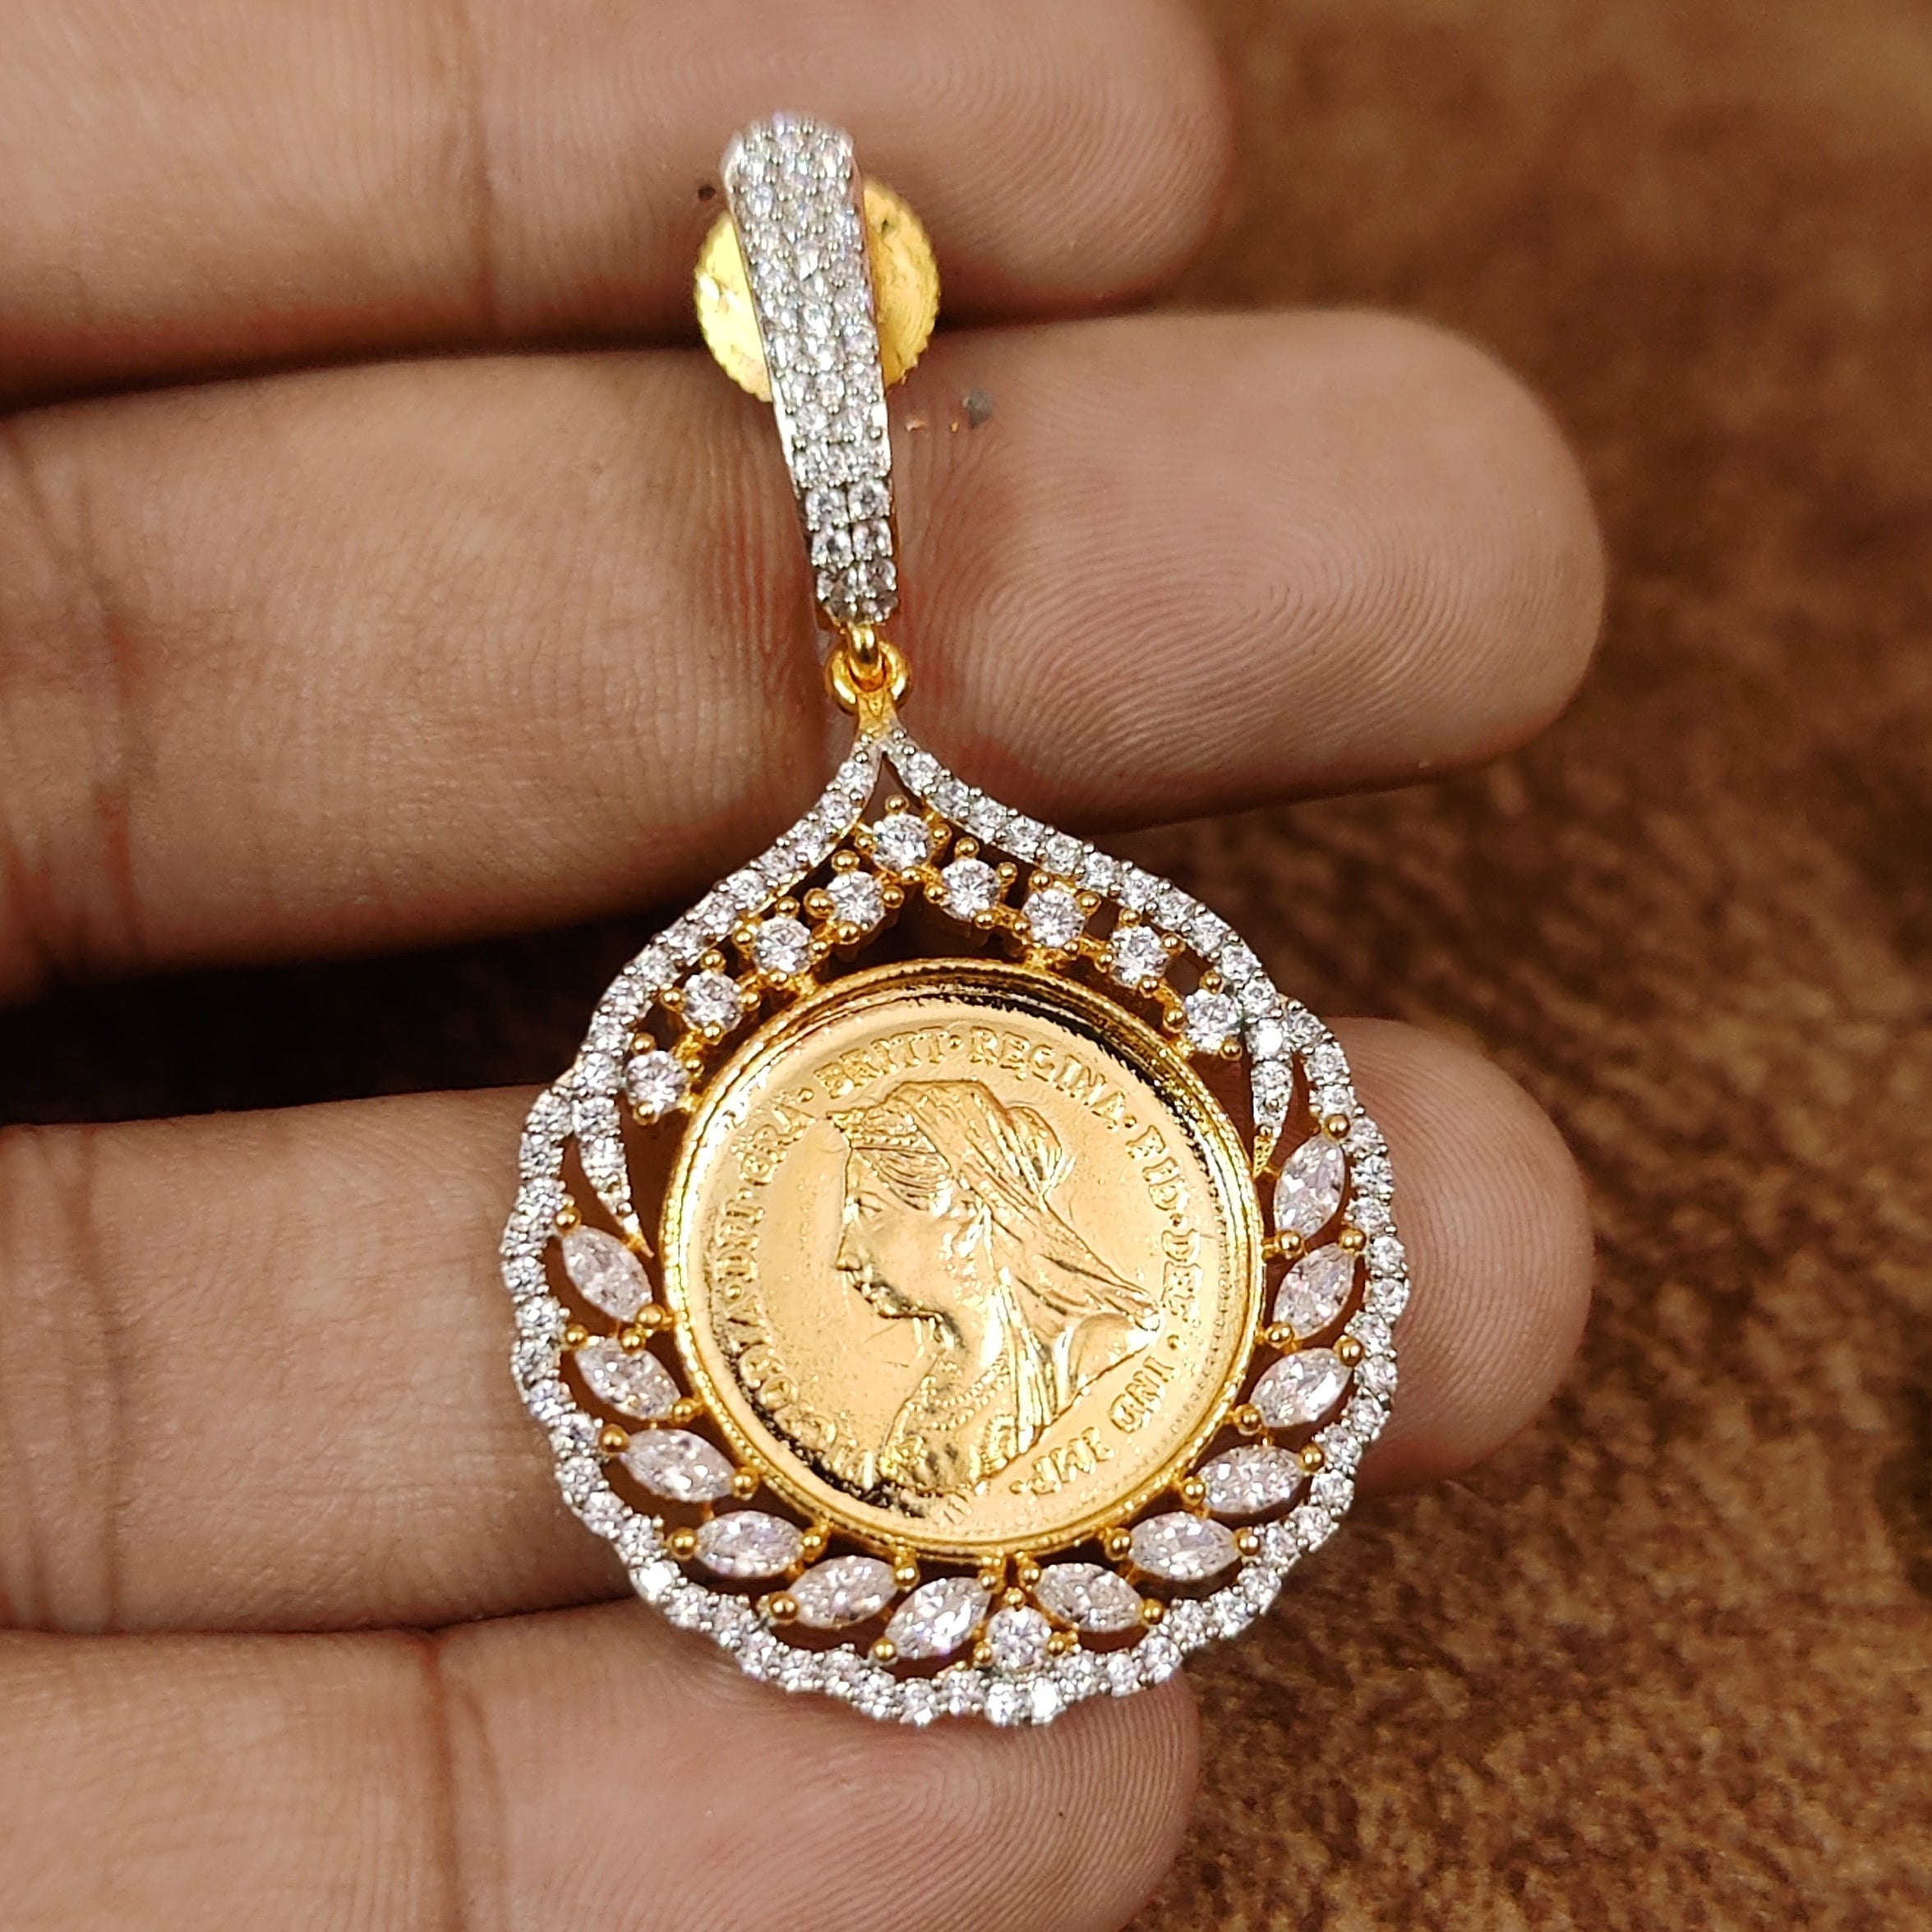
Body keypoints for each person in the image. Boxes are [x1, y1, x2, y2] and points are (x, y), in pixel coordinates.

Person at [0, 2, 1599, 1926]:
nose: (832, 1253)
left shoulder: (1098, 1382)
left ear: (984, 1209)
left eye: (871, 1198)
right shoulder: (903, 1432)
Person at [833, 1079, 1159, 1494]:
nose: (845, 1254)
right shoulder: (939, 1391)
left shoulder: (1096, 1348)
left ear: (967, 1211)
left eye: (870, 1211)